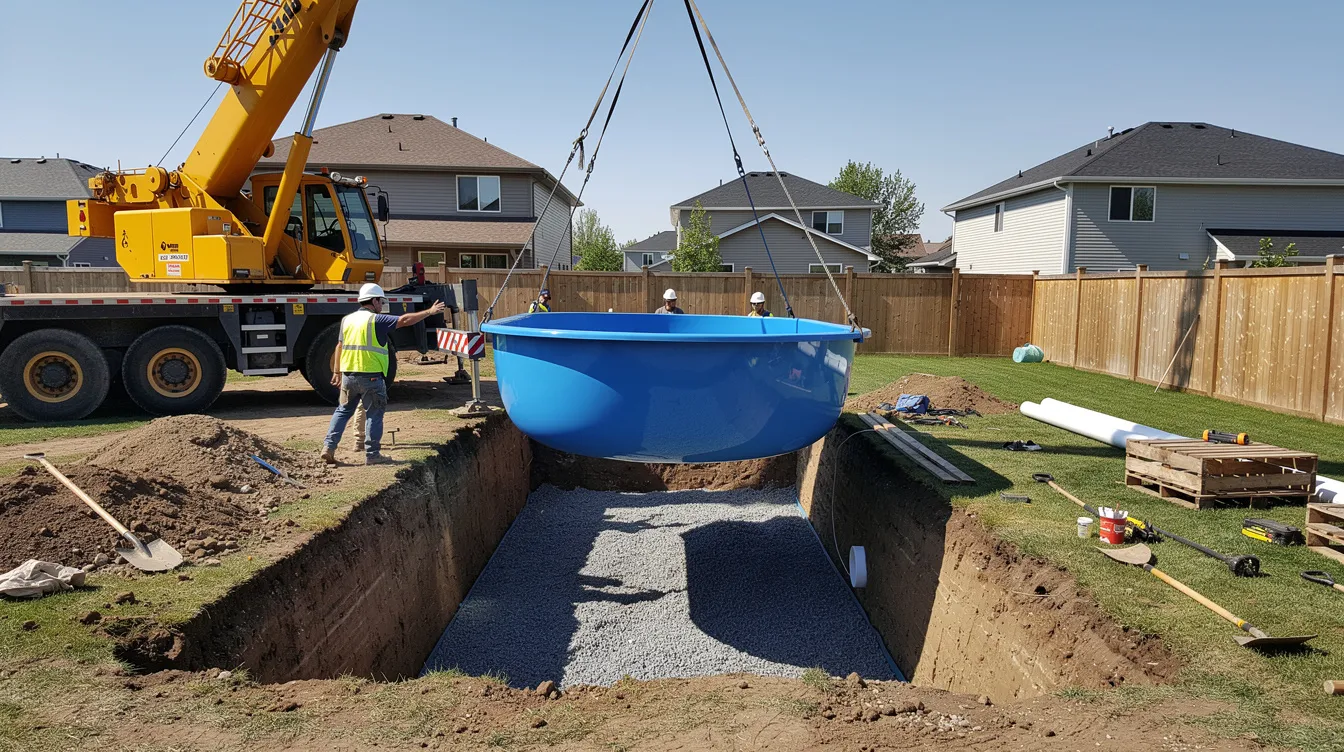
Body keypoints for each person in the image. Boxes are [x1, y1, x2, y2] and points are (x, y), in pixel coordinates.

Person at [321, 283, 445, 465]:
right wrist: (429, 312)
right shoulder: (376, 320)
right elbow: (404, 320)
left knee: (342, 411)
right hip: (371, 376)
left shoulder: (347, 320)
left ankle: (328, 448)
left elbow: (339, 346)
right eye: (381, 301)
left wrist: (336, 371)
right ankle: (372, 455)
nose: (382, 305)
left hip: (348, 376)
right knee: (374, 414)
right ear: (374, 301)